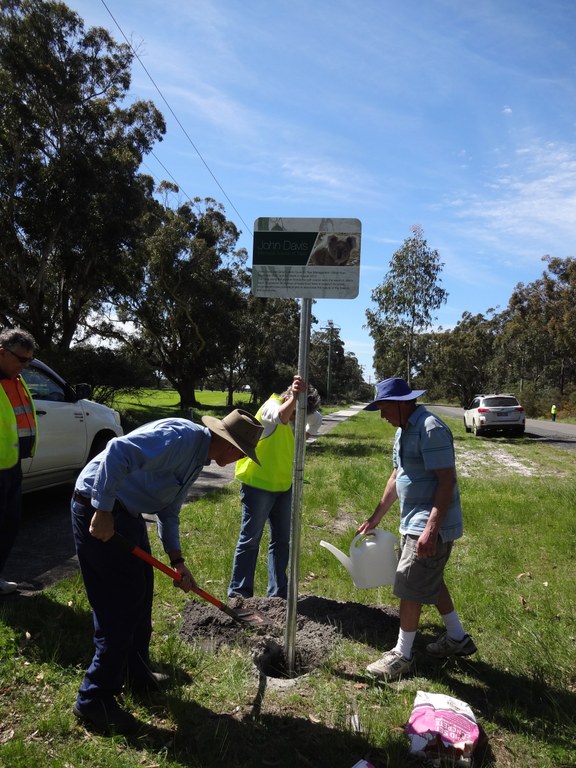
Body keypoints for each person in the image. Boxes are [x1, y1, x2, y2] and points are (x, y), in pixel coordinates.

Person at [71, 408, 263, 734]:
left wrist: (178, 561)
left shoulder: (197, 458)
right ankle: (94, 699)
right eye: (241, 453)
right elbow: (117, 451)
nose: (236, 460)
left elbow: (168, 511)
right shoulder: (180, 438)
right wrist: (102, 510)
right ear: (228, 444)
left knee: (141, 591)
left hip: (126, 512)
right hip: (97, 506)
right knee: (119, 606)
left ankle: (136, 671)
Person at [358, 377, 476, 681]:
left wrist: (431, 529)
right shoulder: (403, 431)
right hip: (412, 521)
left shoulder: (429, 428)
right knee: (430, 581)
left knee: (409, 584)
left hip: (427, 524)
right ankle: (457, 638)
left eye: (383, 407)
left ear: (400, 404)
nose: (382, 415)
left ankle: (403, 654)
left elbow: (446, 481)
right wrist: (376, 517)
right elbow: (397, 476)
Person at [228, 375, 322, 600]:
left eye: (302, 414)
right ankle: (239, 593)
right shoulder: (272, 406)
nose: (298, 420)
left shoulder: (299, 420)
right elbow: (280, 417)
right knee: (250, 539)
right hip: (257, 485)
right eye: (299, 412)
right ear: (290, 397)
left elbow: (315, 420)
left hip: (284, 487)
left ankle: (277, 594)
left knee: (281, 541)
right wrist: (295, 398)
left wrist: (307, 412)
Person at [0, 328, 37, 595]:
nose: (26, 366)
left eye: (29, 361)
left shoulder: (15, 378)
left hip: (11, 466)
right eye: (22, 360)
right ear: (2, 352)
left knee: (9, 524)